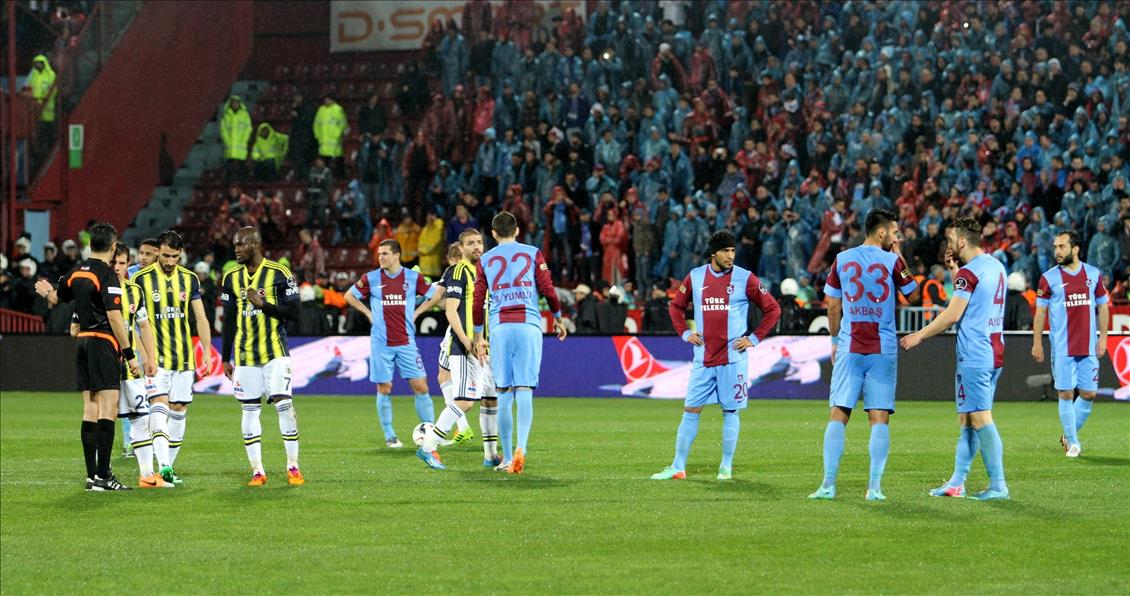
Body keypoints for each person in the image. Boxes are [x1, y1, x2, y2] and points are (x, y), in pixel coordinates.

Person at [651, 230, 781, 481]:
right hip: (703, 356)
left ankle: (726, 467)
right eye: (725, 251)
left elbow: (773, 309)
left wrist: (753, 338)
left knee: (730, 411)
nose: (730, 256)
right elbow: (676, 306)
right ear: (713, 253)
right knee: (691, 409)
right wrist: (685, 333)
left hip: (733, 358)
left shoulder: (746, 278)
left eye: (733, 251)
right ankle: (678, 466)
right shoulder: (695, 276)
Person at [809, 209, 919, 501]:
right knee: (879, 416)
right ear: (881, 232)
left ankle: (827, 485)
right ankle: (874, 488)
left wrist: (834, 341)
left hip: (849, 346)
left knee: (838, 413)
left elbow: (833, 306)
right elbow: (913, 295)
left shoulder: (842, 259)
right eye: (894, 233)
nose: (896, 238)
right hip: (882, 348)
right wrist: (899, 255)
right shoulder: (893, 260)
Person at [900, 217, 1010, 501]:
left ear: (962, 240)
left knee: (981, 418)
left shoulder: (969, 273)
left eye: (950, 240)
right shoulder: (996, 266)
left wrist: (919, 335)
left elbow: (953, 314)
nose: (948, 245)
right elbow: (978, 299)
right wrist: (954, 271)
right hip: (994, 350)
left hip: (975, 353)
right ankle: (956, 483)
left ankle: (998, 485)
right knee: (968, 418)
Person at [34, 223, 137, 491]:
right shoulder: (107, 275)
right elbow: (115, 317)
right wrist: (130, 355)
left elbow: (57, 298)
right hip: (103, 342)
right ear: (113, 247)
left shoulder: (76, 271)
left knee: (90, 408)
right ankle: (104, 476)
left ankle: (92, 476)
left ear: (90, 244)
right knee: (108, 409)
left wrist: (47, 293)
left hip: (82, 342)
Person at [470, 211, 566, 473]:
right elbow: (548, 290)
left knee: (503, 392)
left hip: (500, 328)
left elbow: (478, 301)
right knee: (524, 389)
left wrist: (478, 335)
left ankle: (507, 458)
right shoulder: (533, 253)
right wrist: (558, 318)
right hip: (528, 326)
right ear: (517, 231)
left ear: (492, 234)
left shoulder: (485, 260)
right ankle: (521, 447)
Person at [221, 227, 304, 486]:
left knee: (284, 405)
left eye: (241, 245)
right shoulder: (230, 278)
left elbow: (295, 313)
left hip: (275, 353)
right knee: (249, 410)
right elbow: (229, 321)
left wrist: (263, 305)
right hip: (245, 356)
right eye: (235, 244)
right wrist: (225, 357)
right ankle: (257, 471)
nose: (236, 249)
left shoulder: (280, 273)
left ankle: (293, 466)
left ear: (255, 245)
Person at [131, 231, 213, 485]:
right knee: (159, 404)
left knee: (179, 410)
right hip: (156, 358)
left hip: (184, 358)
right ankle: (163, 466)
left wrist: (206, 351)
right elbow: (132, 322)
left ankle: (169, 468)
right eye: (165, 255)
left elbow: (200, 318)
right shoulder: (140, 279)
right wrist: (144, 354)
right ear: (158, 252)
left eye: (175, 257)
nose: (169, 261)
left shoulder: (189, 279)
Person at [419, 229, 503, 469]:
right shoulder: (459, 271)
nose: (477, 247)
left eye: (479, 242)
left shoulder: (484, 271)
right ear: (462, 248)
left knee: (490, 400)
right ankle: (428, 446)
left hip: (485, 346)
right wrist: (467, 341)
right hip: (466, 347)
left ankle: (490, 456)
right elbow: (451, 310)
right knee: (465, 401)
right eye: (471, 243)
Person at [344, 240, 438, 447]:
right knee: (385, 387)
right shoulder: (371, 278)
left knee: (421, 386)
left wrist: (417, 312)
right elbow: (349, 296)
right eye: (379, 254)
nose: (380, 257)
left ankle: (430, 432)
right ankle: (390, 435)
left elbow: (435, 294)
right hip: (381, 342)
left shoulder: (412, 278)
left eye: (385, 253)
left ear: (397, 255)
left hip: (406, 341)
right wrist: (368, 313)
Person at [1031, 231, 1110, 458]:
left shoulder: (1093, 274)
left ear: (1075, 249)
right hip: (1062, 347)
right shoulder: (1048, 278)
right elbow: (1040, 312)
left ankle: (1068, 434)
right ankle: (1073, 442)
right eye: (1055, 247)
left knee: (1088, 394)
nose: (1056, 251)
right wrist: (1037, 343)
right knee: (1065, 394)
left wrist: (1103, 338)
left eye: (1062, 247)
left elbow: (1103, 306)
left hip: (1088, 345)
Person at [105, 242, 164, 486]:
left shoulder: (135, 291)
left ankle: (147, 475)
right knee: (104, 420)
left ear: (128, 264)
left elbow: (143, 325)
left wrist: (150, 357)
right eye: (113, 263)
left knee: (140, 417)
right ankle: (100, 473)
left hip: (131, 368)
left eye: (122, 263)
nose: (117, 267)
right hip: (105, 363)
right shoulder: (97, 289)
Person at [220, 96, 252, 184]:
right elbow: (223, 129)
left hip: (241, 146)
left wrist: (244, 139)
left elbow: (248, 128)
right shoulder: (226, 115)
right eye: (233, 102)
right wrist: (227, 140)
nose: (234, 104)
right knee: (229, 165)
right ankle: (228, 182)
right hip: (230, 146)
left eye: (236, 102)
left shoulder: (244, 115)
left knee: (242, 165)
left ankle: (243, 181)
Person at [314, 96, 348, 177]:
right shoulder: (320, 110)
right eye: (325, 99)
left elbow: (343, 123)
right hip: (323, 142)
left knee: (337, 162)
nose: (326, 101)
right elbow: (316, 124)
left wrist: (337, 134)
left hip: (335, 143)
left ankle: (339, 177)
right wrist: (317, 135)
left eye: (328, 99)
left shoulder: (338, 109)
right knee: (324, 164)